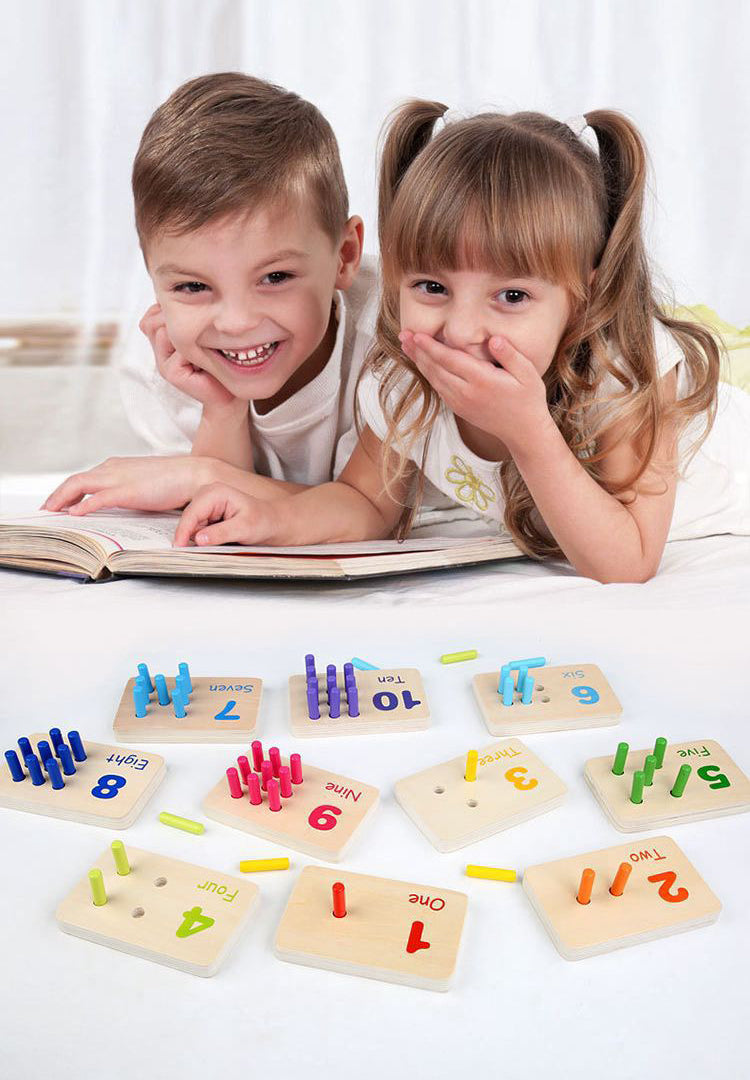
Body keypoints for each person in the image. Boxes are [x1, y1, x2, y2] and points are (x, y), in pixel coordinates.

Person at [173, 102, 749, 582]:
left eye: (512, 297)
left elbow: (629, 562)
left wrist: (528, 431)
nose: (463, 330)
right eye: (432, 286)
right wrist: (275, 520)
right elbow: (368, 503)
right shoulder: (409, 375)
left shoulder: (621, 372)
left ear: (583, 299)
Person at [43, 72, 374, 515]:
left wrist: (202, 474)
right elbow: (223, 506)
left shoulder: (389, 337)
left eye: (275, 277)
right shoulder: (160, 367)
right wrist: (224, 411)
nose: (236, 322)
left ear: (345, 255)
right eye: (193, 286)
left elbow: (372, 509)